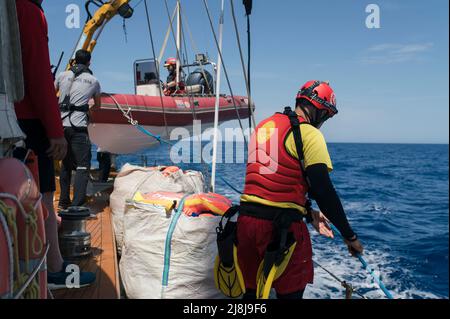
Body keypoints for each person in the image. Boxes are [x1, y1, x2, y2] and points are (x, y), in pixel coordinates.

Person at [237, 80, 364, 299]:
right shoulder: (310, 134)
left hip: (246, 224)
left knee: (251, 292)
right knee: (290, 293)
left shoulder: (264, 126)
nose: (324, 122)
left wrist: (307, 212)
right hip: (282, 229)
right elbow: (324, 192)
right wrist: (349, 236)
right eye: (326, 115)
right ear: (318, 110)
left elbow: (273, 183)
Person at [14, 0, 95, 288]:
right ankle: (54, 269)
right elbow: (37, 77)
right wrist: (54, 130)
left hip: (12, 118)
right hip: (29, 121)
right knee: (43, 194)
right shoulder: (30, 12)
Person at [55, 49, 101, 209]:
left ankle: (63, 202)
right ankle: (77, 205)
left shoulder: (62, 75)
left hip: (61, 127)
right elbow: (98, 105)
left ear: (74, 60)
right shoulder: (93, 80)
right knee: (82, 166)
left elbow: (52, 95)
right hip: (79, 128)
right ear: (89, 62)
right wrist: (88, 112)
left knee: (66, 165)